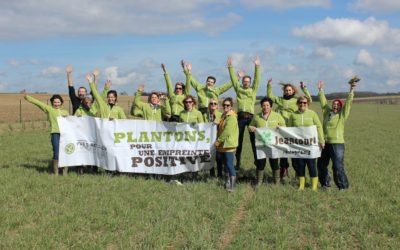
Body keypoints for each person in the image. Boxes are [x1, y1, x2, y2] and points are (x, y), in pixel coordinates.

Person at [267, 79, 313, 182]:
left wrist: (304, 88)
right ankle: (283, 172)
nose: (287, 92)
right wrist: (269, 85)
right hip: (282, 131)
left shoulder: (296, 101)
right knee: (283, 153)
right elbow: (270, 96)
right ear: (284, 91)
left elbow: (308, 99)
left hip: (293, 130)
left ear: (293, 91)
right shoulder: (280, 100)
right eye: (286, 90)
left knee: (294, 153)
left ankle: (298, 174)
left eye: (289, 90)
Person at [317, 79, 356, 190]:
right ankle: (325, 184)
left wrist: (352, 90)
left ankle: (343, 187)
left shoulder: (342, 115)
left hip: (337, 144)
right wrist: (320, 90)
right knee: (321, 165)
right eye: (334, 104)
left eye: (337, 105)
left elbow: (348, 103)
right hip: (325, 143)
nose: (335, 106)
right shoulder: (327, 113)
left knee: (337, 167)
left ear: (340, 107)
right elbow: (323, 102)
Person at [22, 90, 69, 175]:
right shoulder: (49, 109)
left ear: (61, 102)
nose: (57, 104)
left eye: (58, 102)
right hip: (55, 133)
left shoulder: (65, 112)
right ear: (52, 103)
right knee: (56, 152)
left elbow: (72, 122)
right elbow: (38, 103)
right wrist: (27, 97)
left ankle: (65, 172)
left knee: (65, 152)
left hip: (65, 135)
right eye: (55, 102)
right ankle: (56, 172)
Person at [227, 56, 260, 171]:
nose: (246, 83)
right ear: (242, 82)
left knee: (254, 141)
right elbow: (233, 80)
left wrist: (257, 66)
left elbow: (257, 79)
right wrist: (230, 67)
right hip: (240, 118)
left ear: (250, 83)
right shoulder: (238, 89)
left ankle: (257, 162)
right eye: (244, 81)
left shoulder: (253, 90)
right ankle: (238, 162)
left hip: (251, 117)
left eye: (248, 82)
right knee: (238, 141)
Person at [288, 96, 325, 191]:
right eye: (300, 102)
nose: (302, 104)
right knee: (300, 165)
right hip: (299, 145)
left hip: (311, 145)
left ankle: (314, 186)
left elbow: (319, 127)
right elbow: (288, 129)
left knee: (312, 165)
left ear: (308, 104)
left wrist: (321, 140)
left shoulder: (312, 114)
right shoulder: (293, 115)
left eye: (304, 102)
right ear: (297, 103)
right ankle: (301, 186)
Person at [248, 97, 286, 185]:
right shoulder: (256, 116)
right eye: (264, 105)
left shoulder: (277, 115)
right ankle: (259, 181)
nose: (266, 107)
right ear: (261, 106)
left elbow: (284, 126)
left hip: (274, 144)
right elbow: (249, 126)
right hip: (261, 144)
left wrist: (280, 127)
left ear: (271, 106)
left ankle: (276, 182)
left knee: (274, 163)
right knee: (260, 163)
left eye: (267, 105)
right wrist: (251, 128)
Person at [215, 97, 239, 192]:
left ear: (231, 106)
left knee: (229, 164)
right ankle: (227, 182)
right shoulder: (223, 116)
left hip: (228, 144)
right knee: (225, 164)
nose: (225, 106)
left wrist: (218, 141)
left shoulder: (232, 117)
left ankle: (232, 186)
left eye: (228, 105)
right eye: (224, 105)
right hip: (223, 145)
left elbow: (227, 131)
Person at [203, 98, 223, 178]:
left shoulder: (221, 115)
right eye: (211, 103)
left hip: (218, 139)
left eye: (215, 103)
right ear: (208, 106)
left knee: (218, 157)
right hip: (208, 139)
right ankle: (212, 174)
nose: (213, 105)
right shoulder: (205, 115)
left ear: (217, 106)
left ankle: (220, 174)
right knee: (210, 157)